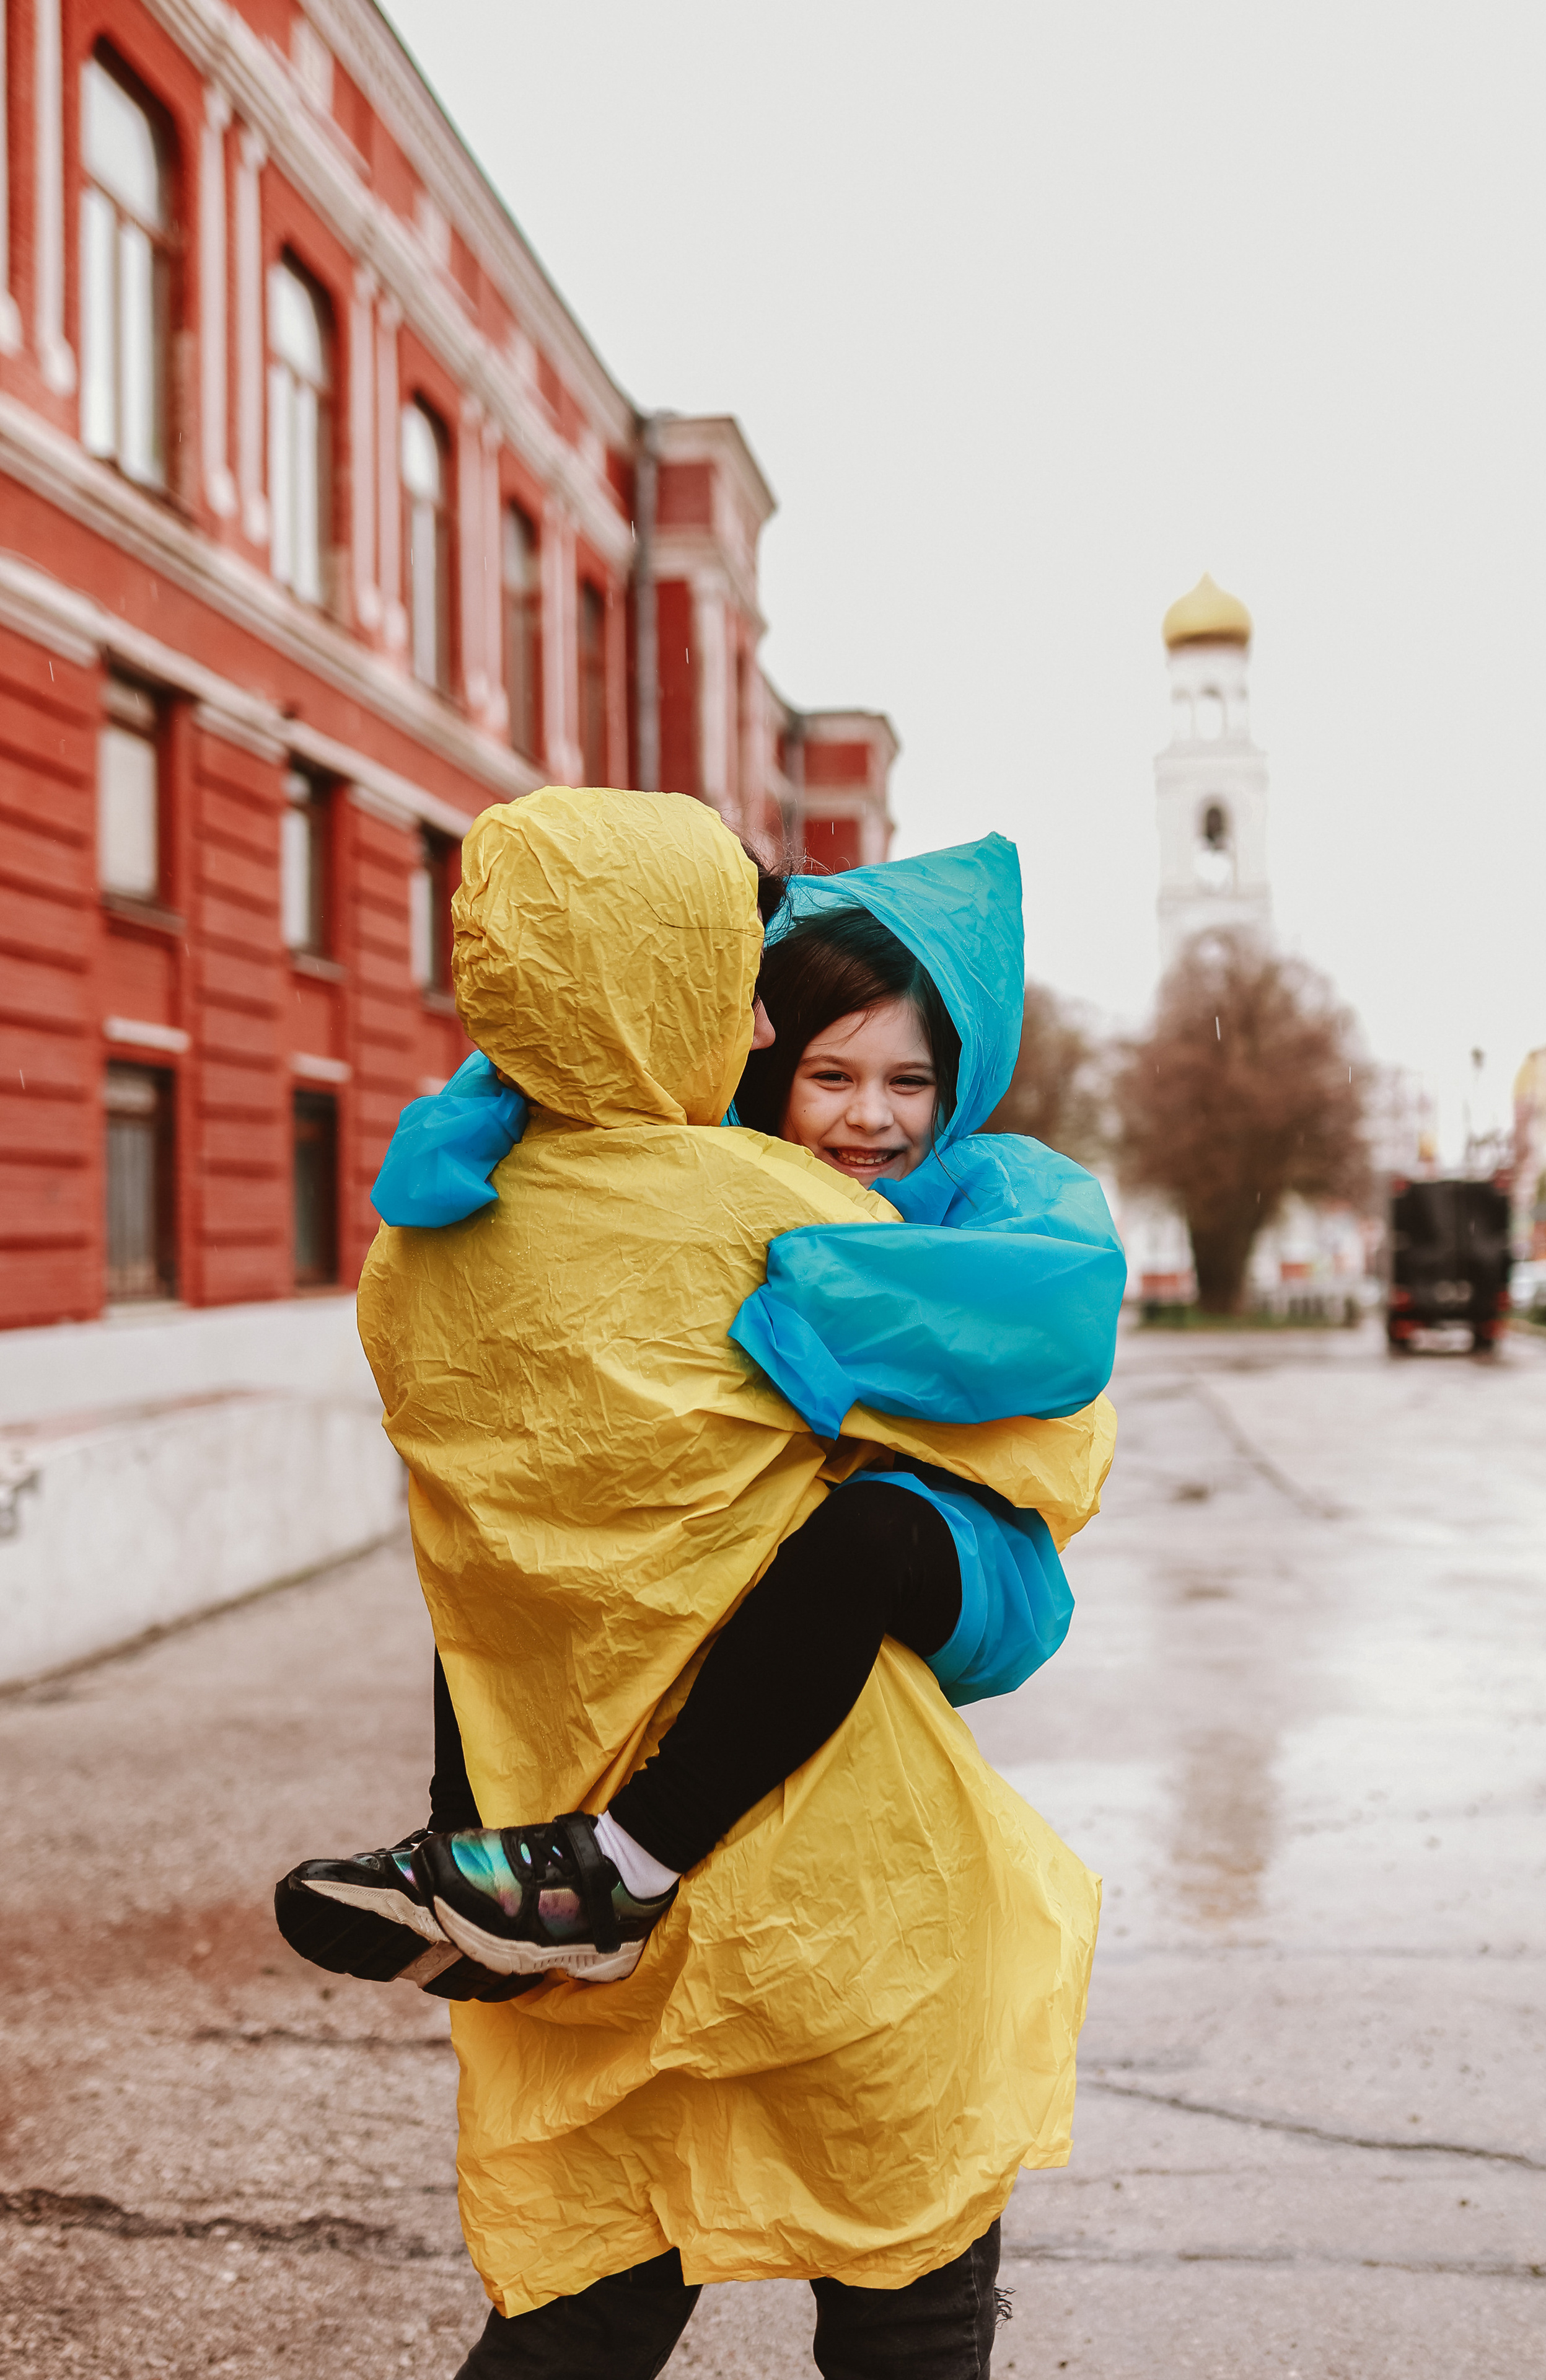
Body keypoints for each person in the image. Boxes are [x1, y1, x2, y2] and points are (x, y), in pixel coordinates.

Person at [293, 783, 1117, 2369]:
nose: (860, 1110)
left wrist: (489, 1110)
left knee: (594, 2290)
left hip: (601, 1736)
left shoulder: (424, 1254)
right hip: (839, 1846)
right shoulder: (768, 1210)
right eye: (789, 1037)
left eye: (905, 1083)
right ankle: (569, 1866)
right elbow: (1050, 1430)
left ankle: (495, 1861)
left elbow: (501, 1529)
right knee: (907, 2281)